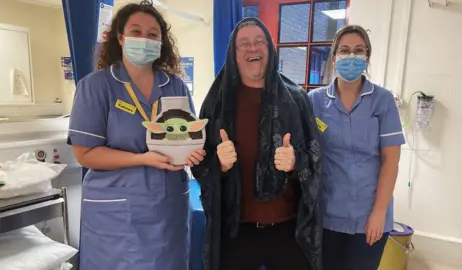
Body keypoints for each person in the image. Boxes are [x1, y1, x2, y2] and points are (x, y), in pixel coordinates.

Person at [67, 2, 205, 269]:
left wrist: (194, 152)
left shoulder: (174, 85)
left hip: (168, 209)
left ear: (162, 41)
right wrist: (143, 159)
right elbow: (85, 154)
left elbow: (188, 134)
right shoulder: (96, 86)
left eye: (153, 35)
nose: (145, 39)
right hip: (117, 216)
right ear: (120, 37)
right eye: (136, 31)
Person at [191, 18, 323, 270]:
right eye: (244, 44)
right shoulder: (217, 103)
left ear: (270, 49)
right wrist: (219, 164)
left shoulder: (296, 100)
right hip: (236, 231)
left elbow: (316, 160)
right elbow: (199, 163)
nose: (253, 48)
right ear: (233, 53)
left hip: (288, 230)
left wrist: (296, 163)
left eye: (259, 41)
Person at [308, 25, 405, 270]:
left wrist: (379, 212)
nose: (351, 57)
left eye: (358, 51)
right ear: (334, 57)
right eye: (345, 50)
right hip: (327, 215)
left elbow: (390, 162)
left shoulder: (382, 100)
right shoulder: (315, 101)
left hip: (370, 217)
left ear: (367, 57)